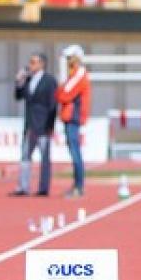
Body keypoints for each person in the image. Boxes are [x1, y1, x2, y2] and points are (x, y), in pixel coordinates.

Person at [11, 52, 57, 197]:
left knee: (44, 158)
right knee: (25, 156)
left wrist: (50, 126)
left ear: (42, 64)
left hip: (43, 125)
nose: (30, 65)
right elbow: (18, 96)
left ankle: (43, 188)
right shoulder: (28, 79)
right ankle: (23, 187)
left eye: (33, 62)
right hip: (29, 125)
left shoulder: (49, 81)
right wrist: (19, 81)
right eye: (30, 62)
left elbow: (53, 104)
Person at [56, 45, 91, 199]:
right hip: (69, 117)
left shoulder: (78, 75)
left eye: (70, 58)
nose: (67, 61)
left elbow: (63, 95)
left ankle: (79, 186)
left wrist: (61, 89)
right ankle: (77, 185)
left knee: (76, 153)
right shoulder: (73, 74)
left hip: (73, 118)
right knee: (74, 152)